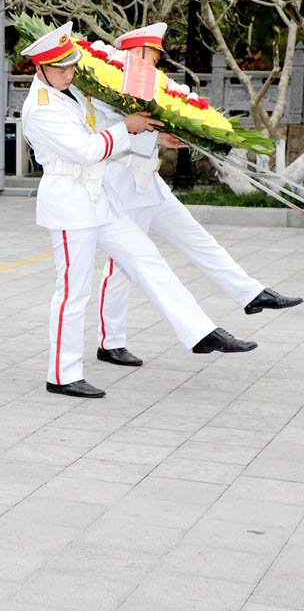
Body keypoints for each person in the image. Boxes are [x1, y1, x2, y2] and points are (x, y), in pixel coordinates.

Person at [20, 22, 258, 399]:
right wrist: (127, 129)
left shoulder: (68, 92)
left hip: (98, 198)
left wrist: (150, 134)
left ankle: (199, 332)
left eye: (70, 65)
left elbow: (106, 126)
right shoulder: (42, 108)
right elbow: (89, 149)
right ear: (40, 68)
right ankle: (62, 374)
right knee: (73, 292)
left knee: (147, 259)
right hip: (69, 204)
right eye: (60, 67)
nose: (69, 72)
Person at [92, 23, 300, 367]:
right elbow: (110, 134)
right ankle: (111, 341)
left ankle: (250, 293)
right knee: (124, 266)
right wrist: (157, 135)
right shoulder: (105, 86)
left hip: (149, 180)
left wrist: (174, 134)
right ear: (133, 52)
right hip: (122, 184)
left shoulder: (144, 84)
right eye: (152, 54)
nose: (156, 62)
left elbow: (147, 128)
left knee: (197, 238)